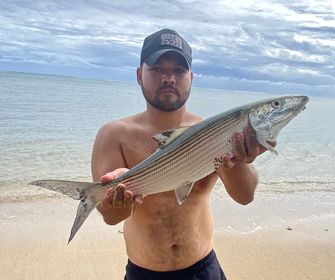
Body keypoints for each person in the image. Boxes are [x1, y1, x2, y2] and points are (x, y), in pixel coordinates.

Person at [91, 28, 273, 280]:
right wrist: (121, 197)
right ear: (139, 75)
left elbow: (245, 196)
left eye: (178, 70)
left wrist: (241, 159)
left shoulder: (211, 131)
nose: (169, 78)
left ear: (191, 77)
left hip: (203, 268)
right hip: (144, 273)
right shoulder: (114, 135)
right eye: (157, 69)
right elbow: (111, 217)